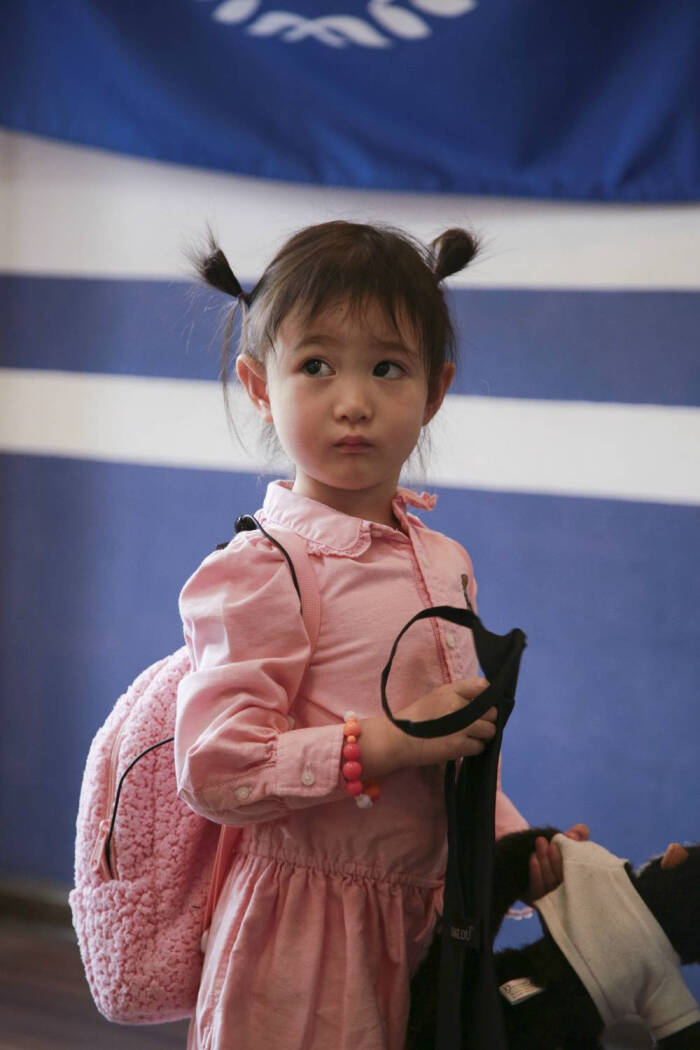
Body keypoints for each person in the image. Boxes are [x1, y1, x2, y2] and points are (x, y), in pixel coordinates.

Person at [174, 221, 587, 1050]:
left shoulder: (444, 560)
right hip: (302, 943)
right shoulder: (264, 567)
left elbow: (452, 751)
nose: (353, 401)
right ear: (259, 386)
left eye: (387, 368)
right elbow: (216, 768)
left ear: (435, 391)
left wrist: (515, 847)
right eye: (315, 366)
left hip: (429, 932)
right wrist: (387, 743)